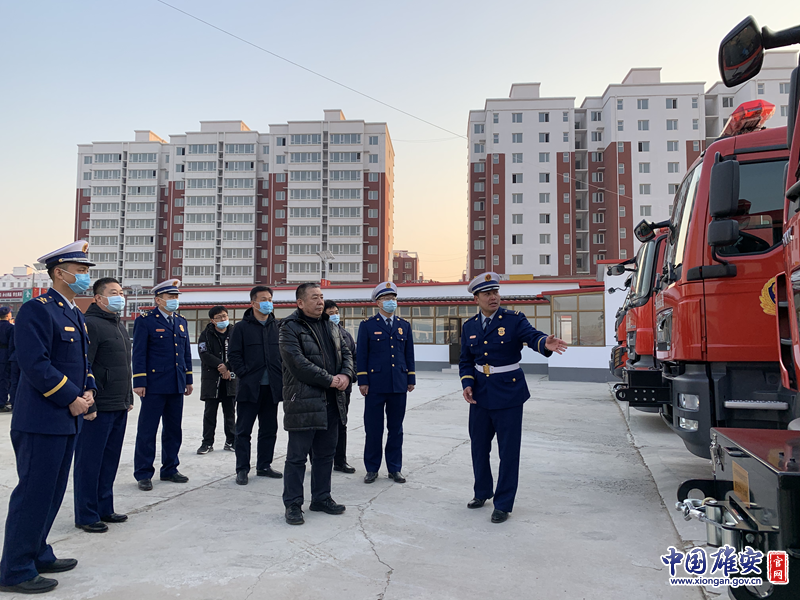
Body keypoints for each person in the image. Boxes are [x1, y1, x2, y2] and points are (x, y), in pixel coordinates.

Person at [0, 241, 97, 594]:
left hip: (65, 419)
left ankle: (37, 552)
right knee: (33, 493)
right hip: (41, 418)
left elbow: (81, 362)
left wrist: (89, 390)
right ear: (60, 272)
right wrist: (71, 397)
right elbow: (34, 363)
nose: (86, 277)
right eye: (81, 271)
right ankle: (15, 569)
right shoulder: (36, 310)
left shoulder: (72, 312)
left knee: (52, 492)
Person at [459, 272, 568, 524]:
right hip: (480, 395)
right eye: (487, 293)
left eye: (496, 292)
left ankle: (503, 503)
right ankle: (482, 492)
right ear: (476, 298)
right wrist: (467, 383)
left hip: (508, 394)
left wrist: (545, 342)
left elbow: (532, 336)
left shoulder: (513, 319)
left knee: (508, 452)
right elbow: (465, 360)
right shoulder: (469, 326)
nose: (493, 297)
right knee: (478, 447)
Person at [280, 283, 354, 525]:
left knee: (325, 455)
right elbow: (298, 364)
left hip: (331, 401)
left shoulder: (332, 326)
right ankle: (293, 504)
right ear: (300, 303)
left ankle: (321, 498)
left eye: (321, 297)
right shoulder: (289, 327)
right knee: (297, 457)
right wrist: (330, 380)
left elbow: (347, 353)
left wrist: (346, 375)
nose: (320, 301)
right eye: (314, 297)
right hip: (303, 402)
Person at [73, 277, 133, 534]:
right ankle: (86, 514)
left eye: (120, 292)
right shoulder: (91, 324)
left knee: (109, 460)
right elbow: (83, 366)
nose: (119, 296)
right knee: (89, 462)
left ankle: (104, 507)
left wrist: (128, 397)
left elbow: (124, 366)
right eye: (113, 292)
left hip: (118, 403)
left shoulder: (118, 324)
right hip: (98, 406)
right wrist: (89, 404)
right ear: (98, 298)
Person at [132, 279, 193, 491]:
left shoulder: (181, 321)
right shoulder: (146, 321)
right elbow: (139, 353)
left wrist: (188, 379)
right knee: (148, 431)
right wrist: (139, 381)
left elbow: (185, 353)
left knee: (173, 430)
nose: (175, 300)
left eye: (176, 297)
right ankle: (143, 473)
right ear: (158, 300)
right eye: (171, 297)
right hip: (154, 385)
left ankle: (170, 468)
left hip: (176, 384)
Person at [356, 282, 416, 484]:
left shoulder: (404, 325)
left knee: (396, 429)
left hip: (398, 384)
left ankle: (394, 468)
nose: (391, 302)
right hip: (375, 385)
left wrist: (410, 378)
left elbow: (409, 354)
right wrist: (363, 380)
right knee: (373, 429)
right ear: (378, 303)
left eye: (394, 298)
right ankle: (372, 468)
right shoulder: (367, 325)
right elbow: (362, 355)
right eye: (387, 299)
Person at [227, 287, 283, 484]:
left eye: (270, 299)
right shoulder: (241, 328)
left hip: (272, 388)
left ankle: (264, 465)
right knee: (243, 431)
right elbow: (233, 355)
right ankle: (242, 469)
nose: (268, 303)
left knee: (269, 429)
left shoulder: (278, 326)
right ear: (253, 303)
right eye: (263, 299)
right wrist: (244, 374)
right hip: (249, 388)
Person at [197, 306, 236, 455]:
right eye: (218, 317)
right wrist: (221, 366)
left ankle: (231, 441)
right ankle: (207, 443)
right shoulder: (206, 334)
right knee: (209, 413)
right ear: (212, 320)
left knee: (230, 413)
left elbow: (239, 352)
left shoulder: (234, 332)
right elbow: (204, 354)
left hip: (230, 379)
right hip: (211, 380)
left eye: (224, 316)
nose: (222, 319)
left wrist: (228, 368)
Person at [324, 300, 356, 474]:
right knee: (321, 426)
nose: (334, 316)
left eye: (336, 312)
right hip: (324, 386)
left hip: (343, 389)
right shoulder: (318, 333)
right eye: (330, 313)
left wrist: (348, 376)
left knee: (341, 424)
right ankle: (319, 461)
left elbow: (353, 358)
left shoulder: (345, 335)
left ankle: (340, 461)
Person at [0, 307, 13, 412]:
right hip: (5, 354)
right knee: (4, 379)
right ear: (8, 315)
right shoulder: (10, 328)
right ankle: (2, 402)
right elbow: (12, 344)